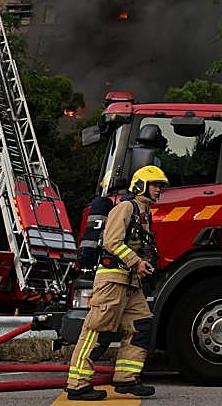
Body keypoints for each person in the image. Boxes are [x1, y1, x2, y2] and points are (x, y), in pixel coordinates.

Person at [64, 165, 167, 401]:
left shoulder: (144, 214)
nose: (159, 190)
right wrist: (135, 261)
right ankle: (77, 384)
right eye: (156, 185)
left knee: (141, 325)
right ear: (141, 185)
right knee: (97, 330)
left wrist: (145, 262)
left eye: (160, 186)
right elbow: (112, 242)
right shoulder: (125, 208)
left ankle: (126, 378)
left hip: (131, 283)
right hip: (112, 279)